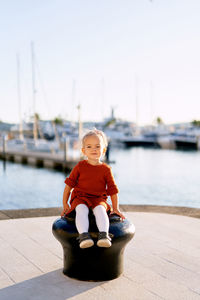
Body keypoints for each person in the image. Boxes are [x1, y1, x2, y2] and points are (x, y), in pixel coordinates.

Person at [61, 129, 125, 249]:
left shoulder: (106, 169)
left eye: (97, 146)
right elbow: (69, 186)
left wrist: (115, 208)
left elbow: (113, 190)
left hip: (98, 198)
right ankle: (84, 236)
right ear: (83, 151)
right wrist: (65, 204)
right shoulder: (80, 167)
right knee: (81, 209)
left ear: (104, 150)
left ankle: (104, 235)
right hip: (80, 197)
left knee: (100, 210)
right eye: (89, 147)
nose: (94, 149)